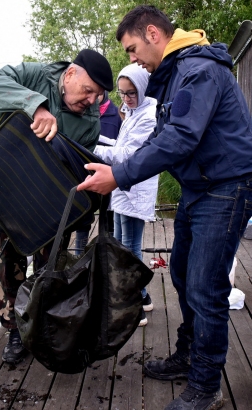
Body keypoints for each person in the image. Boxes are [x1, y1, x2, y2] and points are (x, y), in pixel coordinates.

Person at [78, 5, 252, 410]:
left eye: (131, 49)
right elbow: (161, 140)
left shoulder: (198, 70)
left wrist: (121, 177)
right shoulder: (176, 74)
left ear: (152, 33)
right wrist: (116, 166)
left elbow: (180, 138)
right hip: (200, 189)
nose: (132, 59)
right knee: (181, 273)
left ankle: (205, 385)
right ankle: (188, 354)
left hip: (228, 187)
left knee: (205, 286)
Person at [0, 49, 113, 364]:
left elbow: (76, 167)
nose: (92, 101)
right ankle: (14, 330)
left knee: (48, 266)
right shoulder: (34, 75)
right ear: (69, 75)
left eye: (98, 95)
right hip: (5, 190)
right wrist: (35, 106)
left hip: (48, 201)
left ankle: (37, 325)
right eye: (88, 90)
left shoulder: (89, 120)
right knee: (7, 265)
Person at [94, 63, 158, 327]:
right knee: (120, 245)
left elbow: (125, 155)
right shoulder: (131, 111)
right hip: (121, 185)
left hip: (135, 188)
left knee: (129, 250)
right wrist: (93, 139)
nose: (126, 99)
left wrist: (93, 148)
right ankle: (142, 297)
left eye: (131, 93)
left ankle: (134, 307)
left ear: (142, 88)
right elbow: (119, 145)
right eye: (122, 93)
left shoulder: (149, 114)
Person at [73, 91, 122, 254]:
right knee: (82, 219)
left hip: (107, 176)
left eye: (98, 94)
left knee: (108, 220)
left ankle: (106, 258)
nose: (93, 99)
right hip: (83, 172)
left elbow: (120, 148)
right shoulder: (81, 109)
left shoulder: (115, 115)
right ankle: (79, 259)